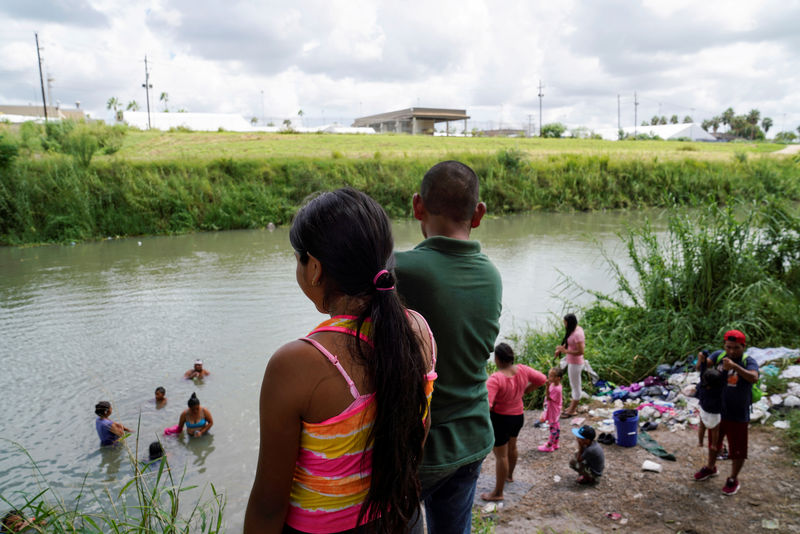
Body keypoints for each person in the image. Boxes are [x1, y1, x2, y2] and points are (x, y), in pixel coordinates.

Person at [244, 188, 436, 534]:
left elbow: (268, 505)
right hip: (403, 519)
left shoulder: (297, 364)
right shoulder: (418, 330)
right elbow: (417, 436)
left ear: (314, 268)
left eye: (298, 257)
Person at [395, 161, 502, 534]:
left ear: (417, 207)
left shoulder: (398, 270)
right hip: (472, 437)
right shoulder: (491, 274)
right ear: (479, 214)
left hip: (415, 450)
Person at [693, 329, 759, 495]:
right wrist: (701, 360)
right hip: (718, 409)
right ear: (724, 345)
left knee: (738, 447)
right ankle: (710, 467)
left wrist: (735, 366)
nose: (731, 351)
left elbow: (754, 378)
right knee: (714, 441)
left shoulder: (748, 361)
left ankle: (733, 478)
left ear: (743, 346)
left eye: (736, 348)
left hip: (737, 411)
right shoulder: (718, 356)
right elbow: (701, 368)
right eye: (728, 347)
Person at [481, 343, 545, 502]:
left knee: (500, 456)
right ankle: (509, 476)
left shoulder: (496, 379)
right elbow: (542, 379)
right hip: (518, 416)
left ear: (497, 359)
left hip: (501, 419)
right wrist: (525, 390)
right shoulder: (522, 370)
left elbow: (487, 405)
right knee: (513, 446)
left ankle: (498, 493)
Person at [555, 313, 585, 417]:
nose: (564, 324)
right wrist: (561, 349)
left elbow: (581, 351)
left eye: (565, 322)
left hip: (576, 363)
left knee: (576, 386)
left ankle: (572, 410)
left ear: (569, 323)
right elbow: (569, 342)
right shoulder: (573, 330)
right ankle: (572, 407)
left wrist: (565, 351)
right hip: (571, 361)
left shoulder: (578, 334)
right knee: (574, 385)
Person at [694, 350, 723, 448]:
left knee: (702, 427)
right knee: (715, 430)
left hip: (704, 409)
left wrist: (704, 358)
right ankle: (714, 445)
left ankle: (700, 442)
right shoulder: (719, 388)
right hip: (715, 411)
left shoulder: (703, 385)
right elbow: (725, 375)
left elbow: (703, 369)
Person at [537, 366, 564, 453]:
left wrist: (547, 386)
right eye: (549, 375)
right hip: (553, 408)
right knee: (556, 425)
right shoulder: (555, 385)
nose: (549, 378)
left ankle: (549, 445)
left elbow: (549, 397)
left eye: (552, 376)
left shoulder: (557, 389)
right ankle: (555, 443)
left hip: (553, 410)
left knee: (553, 427)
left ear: (558, 378)